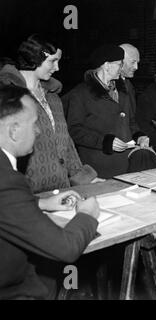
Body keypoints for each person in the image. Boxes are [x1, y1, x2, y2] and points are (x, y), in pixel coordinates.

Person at [0, 85, 99, 299]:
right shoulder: (6, 179)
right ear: (13, 130)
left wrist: (42, 203)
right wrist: (87, 214)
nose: (38, 131)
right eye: (35, 123)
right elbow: (66, 248)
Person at [0, 34, 98, 193]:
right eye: (52, 61)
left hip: (61, 188)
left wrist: (84, 179)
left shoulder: (53, 97)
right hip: (27, 193)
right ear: (34, 58)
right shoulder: (10, 99)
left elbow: (66, 142)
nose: (57, 68)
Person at [63, 44, 156, 178]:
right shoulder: (81, 93)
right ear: (106, 65)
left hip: (127, 165)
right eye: (119, 64)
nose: (121, 68)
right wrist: (104, 142)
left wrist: (139, 136)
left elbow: (131, 121)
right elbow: (74, 130)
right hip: (99, 168)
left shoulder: (123, 90)